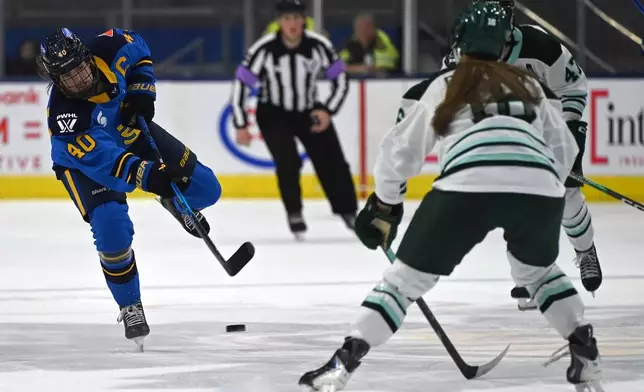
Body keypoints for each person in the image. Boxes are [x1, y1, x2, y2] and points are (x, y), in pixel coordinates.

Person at [299, 3, 603, 392]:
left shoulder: (446, 84)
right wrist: (540, 184)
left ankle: (342, 366)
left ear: (460, 41)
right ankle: (586, 353)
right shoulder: (531, 86)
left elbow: (399, 154)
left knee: (402, 283)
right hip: (537, 189)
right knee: (539, 274)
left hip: (467, 186)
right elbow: (563, 155)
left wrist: (385, 206)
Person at [39, 28, 222, 350]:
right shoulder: (65, 116)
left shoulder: (109, 47)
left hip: (129, 129)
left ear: (86, 57)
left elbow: (138, 47)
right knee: (112, 227)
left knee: (207, 190)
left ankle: (176, 204)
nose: (77, 81)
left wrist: (141, 90)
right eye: (66, 77)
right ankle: (130, 305)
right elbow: (107, 162)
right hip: (86, 164)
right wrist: (151, 177)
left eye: (79, 69)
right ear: (55, 80)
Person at [444, 0, 602, 308]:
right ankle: (536, 277)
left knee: (567, 194)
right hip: (499, 127)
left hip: (548, 121)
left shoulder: (539, 45)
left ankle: (585, 251)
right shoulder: (461, 50)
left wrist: (572, 131)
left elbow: (573, 87)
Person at [231, 0, 357, 240]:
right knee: (287, 160)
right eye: (286, 19)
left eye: (296, 18)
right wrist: (240, 123)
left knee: (332, 161)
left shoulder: (319, 45)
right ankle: (294, 212)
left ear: (304, 20)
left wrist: (327, 110)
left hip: (308, 111)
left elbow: (340, 78)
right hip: (273, 113)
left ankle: (348, 211)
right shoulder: (264, 48)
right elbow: (242, 84)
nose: (292, 24)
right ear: (279, 21)